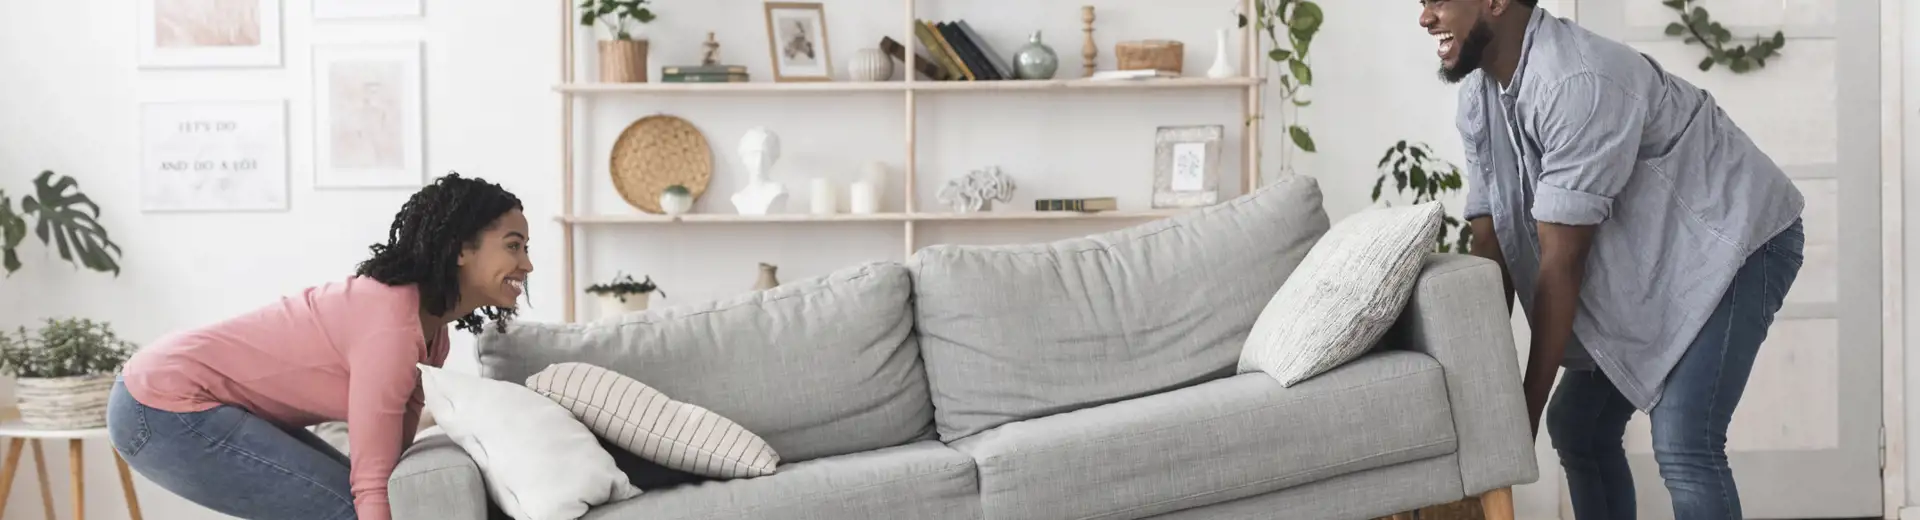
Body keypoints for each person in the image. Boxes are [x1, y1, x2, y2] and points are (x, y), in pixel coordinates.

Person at [1419, 0, 1805, 518]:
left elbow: (1562, 264)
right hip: (1657, 256)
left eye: (1438, 0)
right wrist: (1480, 397)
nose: (1424, 18)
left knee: (1684, 439)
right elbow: (1492, 247)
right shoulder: (1479, 97)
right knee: (1579, 425)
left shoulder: (1574, 81)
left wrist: (1519, 426)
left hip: (1737, 238)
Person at [106, 173, 534, 520]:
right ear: (462, 250)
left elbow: (390, 458)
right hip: (162, 405)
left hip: (185, 399)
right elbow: (371, 481)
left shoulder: (431, 331)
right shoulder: (391, 325)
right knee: (349, 511)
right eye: (513, 246)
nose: (527, 264)